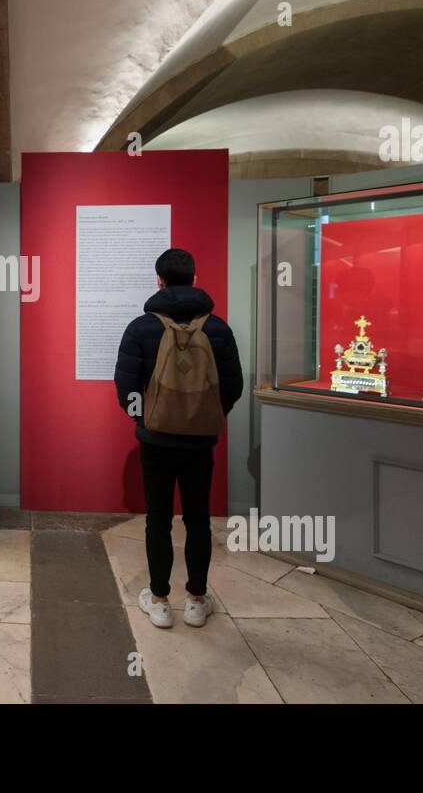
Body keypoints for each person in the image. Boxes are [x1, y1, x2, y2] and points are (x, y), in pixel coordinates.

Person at [114, 248, 243, 629]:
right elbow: (233, 386)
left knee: (158, 518)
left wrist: (145, 419)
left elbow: (125, 387)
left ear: (159, 280)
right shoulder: (217, 328)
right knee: (198, 518)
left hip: (155, 440)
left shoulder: (141, 327)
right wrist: (206, 416)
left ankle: (158, 601)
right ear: (195, 278)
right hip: (200, 442)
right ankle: (196, 600)